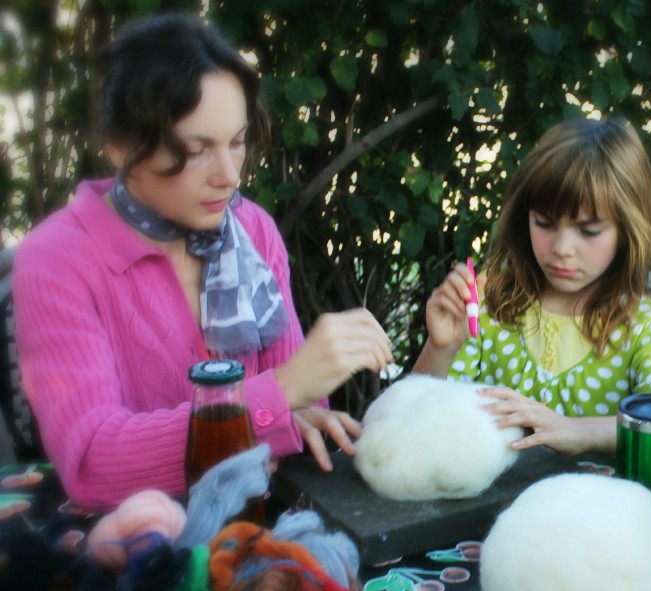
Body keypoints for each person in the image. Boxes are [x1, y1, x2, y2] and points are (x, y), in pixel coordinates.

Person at [12, 15, 393, 509]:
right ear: (119, 148)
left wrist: (290, 407)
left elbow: (302, 412)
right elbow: (90, 463)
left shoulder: (251, 231)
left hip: (261, 529)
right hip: (140, 555)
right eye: (195, 151)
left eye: (237, 142)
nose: (230, 176)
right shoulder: (57, 260)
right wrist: (276, 397)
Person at [413, 117, 651, 455]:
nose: (561, 248)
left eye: (589, 231)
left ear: (627, 232)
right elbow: (418, 417)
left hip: (601, 505)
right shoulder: (489, 304)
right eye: (544, 223)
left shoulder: (645, 324)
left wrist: (575, 431)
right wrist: (440, 348)